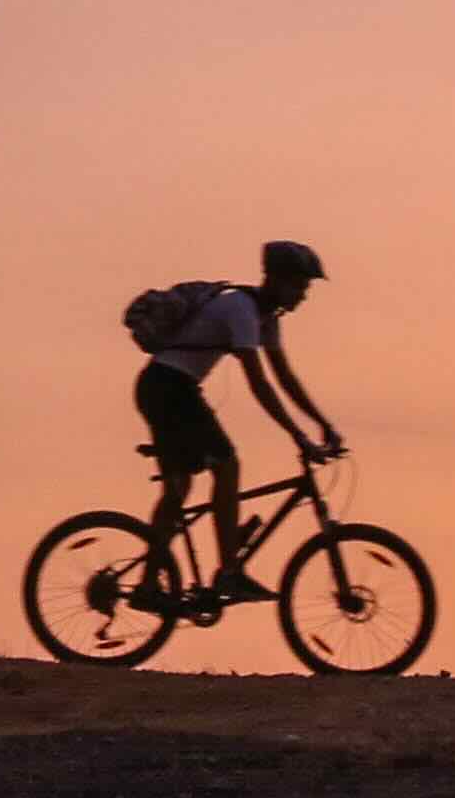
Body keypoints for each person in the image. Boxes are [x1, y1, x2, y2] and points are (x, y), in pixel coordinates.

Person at [136, 241, 339, 580]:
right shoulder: (241, 310)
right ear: (276, 279)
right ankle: (229, 569)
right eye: (299, 285)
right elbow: (259, 383)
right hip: (167, 387)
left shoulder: (265, 318)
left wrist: (323, 424)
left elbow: (285, 377)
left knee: (179, 489)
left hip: (174, 389)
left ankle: (150, 583)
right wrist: (299, 435)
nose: (303, 295)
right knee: (226, 466)